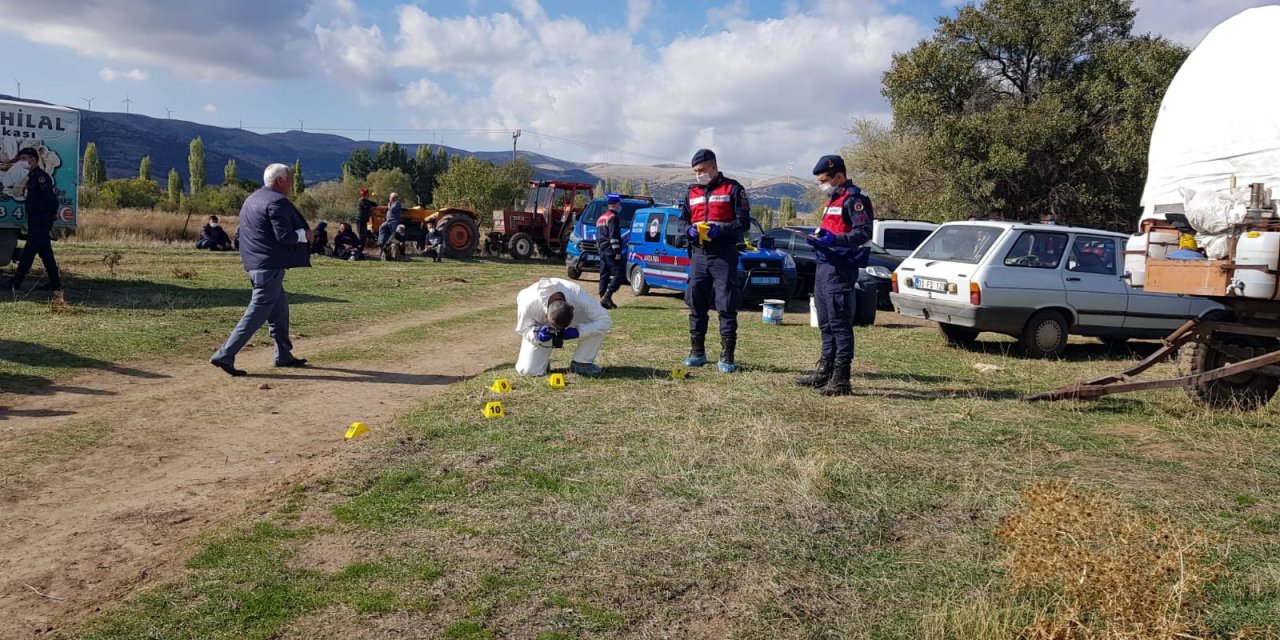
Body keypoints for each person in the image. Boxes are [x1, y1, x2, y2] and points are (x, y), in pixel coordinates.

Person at [209, 163, 312, 377]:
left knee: (280, 309)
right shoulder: (277, 202)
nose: (291, 186)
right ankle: (225, 354)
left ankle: (283, 354)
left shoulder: (251, 199)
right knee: (258, 311)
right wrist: (305, 236)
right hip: (269, 265)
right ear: (280, 181)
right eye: (290, 181)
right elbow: (284, 236)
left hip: (254, 263)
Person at [794, 155, 873, 397]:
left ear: (838, 176)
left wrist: (834, 239)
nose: (821, 185)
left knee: (839, 322)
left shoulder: (855, 199)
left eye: (824, 180)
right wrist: (818, 237)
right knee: (826, 321)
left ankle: (841, 378)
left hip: (841, 267)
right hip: (824, 264)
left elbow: (863, 233)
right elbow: (832, 229)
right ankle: (825, 370)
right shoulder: (833, 200)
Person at [678, 148, 749, 373]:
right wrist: (688, 230)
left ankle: (727, 356)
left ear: (714, 167)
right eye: (695, 171)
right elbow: (681, 221)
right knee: (696, 303)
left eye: (701, 170)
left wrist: (720, 229)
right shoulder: (692, 192)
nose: (698, 174)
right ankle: (697, 351)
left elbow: (744, 222)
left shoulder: (733, 189)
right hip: (699, 256)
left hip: (723, 256)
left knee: (726, 305)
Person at [515, 277, 612, 377]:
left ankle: (582, 362)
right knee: (528, 371)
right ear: (546, 315)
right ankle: (542, 362)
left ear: (572, 308)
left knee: (596, 321)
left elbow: (605, 320)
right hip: (541, 324)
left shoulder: (578, 295)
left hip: (577, 317)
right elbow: (523, 328)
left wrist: (579, 331)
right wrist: (537, 335)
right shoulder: (528, 302)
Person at [6, 147, 62, 292]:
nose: (22, 162)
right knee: (45, 252)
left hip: (41, 219)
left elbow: (50, 198)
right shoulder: (31, 176)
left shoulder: (40, 177)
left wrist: (52, 213)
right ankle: (55, 282)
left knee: (29, 251)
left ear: (33, 159)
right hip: (36, 218)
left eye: (24, 159)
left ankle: (16, 282)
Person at [596, 193, 625, 309]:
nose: (619, 206)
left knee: (604, 274)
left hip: (602, 249)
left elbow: (598, 236)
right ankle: (607, 296)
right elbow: (613, 236)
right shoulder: (613, 217)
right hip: (610, 250)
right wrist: (617, 251)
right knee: (620, 273)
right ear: (615, 204)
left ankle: (603, 298)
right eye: (619, 204)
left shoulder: (601, 218)